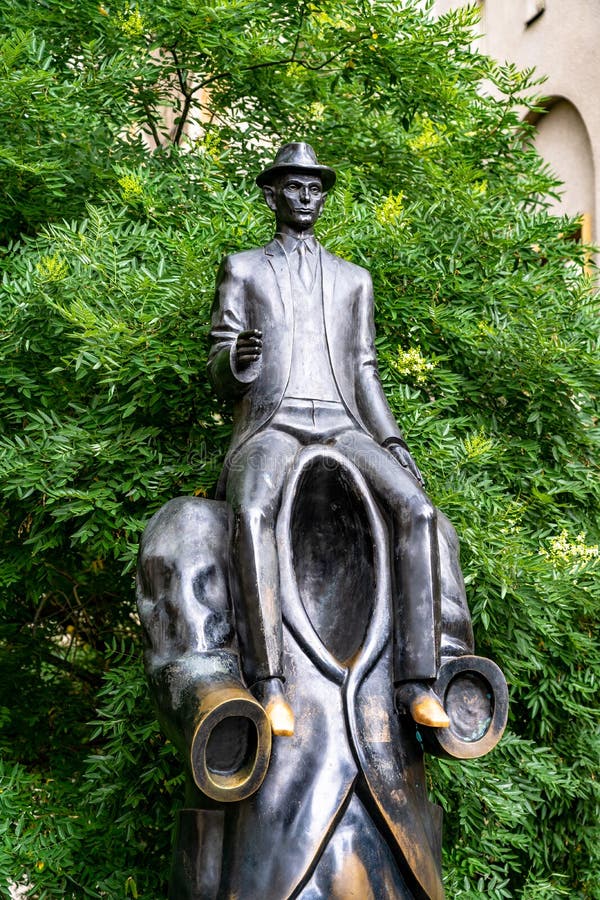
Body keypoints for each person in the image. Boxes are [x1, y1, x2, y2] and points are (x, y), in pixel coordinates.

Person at [208, 142, 450, 736]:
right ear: (272, 195)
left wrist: (390, 441)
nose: (308, 198)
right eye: (295, 187)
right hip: (274, 422)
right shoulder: (244, 268)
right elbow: (217, 363)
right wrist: (236, 359)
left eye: (316, 189)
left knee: (417, 509)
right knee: (253, 509)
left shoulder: (353, 280)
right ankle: (269, 684)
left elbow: (365, 369)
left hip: (345, 424)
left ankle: (417, 683)